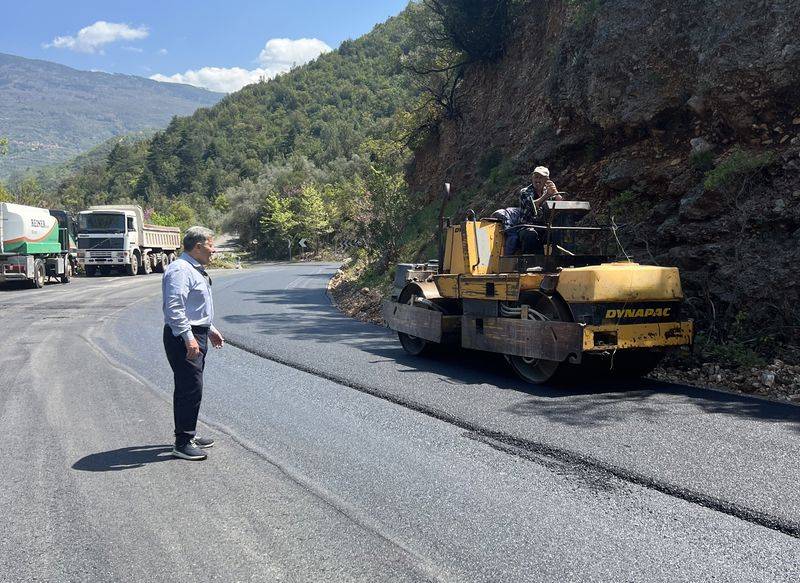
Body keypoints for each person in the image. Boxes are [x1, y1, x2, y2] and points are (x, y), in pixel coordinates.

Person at [162, 226, 225, 461]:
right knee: (189, 388)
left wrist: (209, 329)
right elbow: (175, 309)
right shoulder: (180, 270)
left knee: (193, 387)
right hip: (183, 337)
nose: (213, 250)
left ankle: (189, 434)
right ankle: (182, 442)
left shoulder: (193, 268)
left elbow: (195, 308)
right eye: (210, 245)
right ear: (198, 247)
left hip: (195, 333)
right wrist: (189, 338)